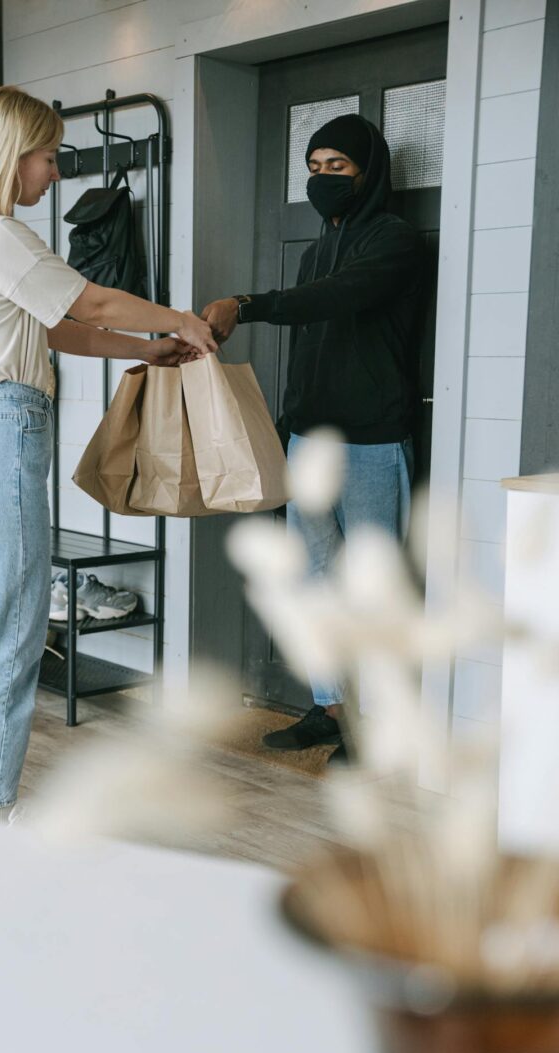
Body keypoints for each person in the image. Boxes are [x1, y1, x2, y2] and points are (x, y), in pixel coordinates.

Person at [0, 85, 216, 823]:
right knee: (9, 640)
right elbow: (94, 304)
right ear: (11, 154)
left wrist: (150, 350)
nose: (55, 174)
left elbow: (60, 330)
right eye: (49, 157)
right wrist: (180, 317)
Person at [202, 113, 423, 761]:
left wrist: (246, 304)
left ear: (368, 172)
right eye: (316, 166)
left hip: (374, 443)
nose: (323, 178)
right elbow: (310, 346)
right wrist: (285, 430)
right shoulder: (312, 250)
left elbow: (337, 298)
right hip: (309, 441)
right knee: (312, 581)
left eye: (339, 167)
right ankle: (331, 706)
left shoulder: (397, 240)